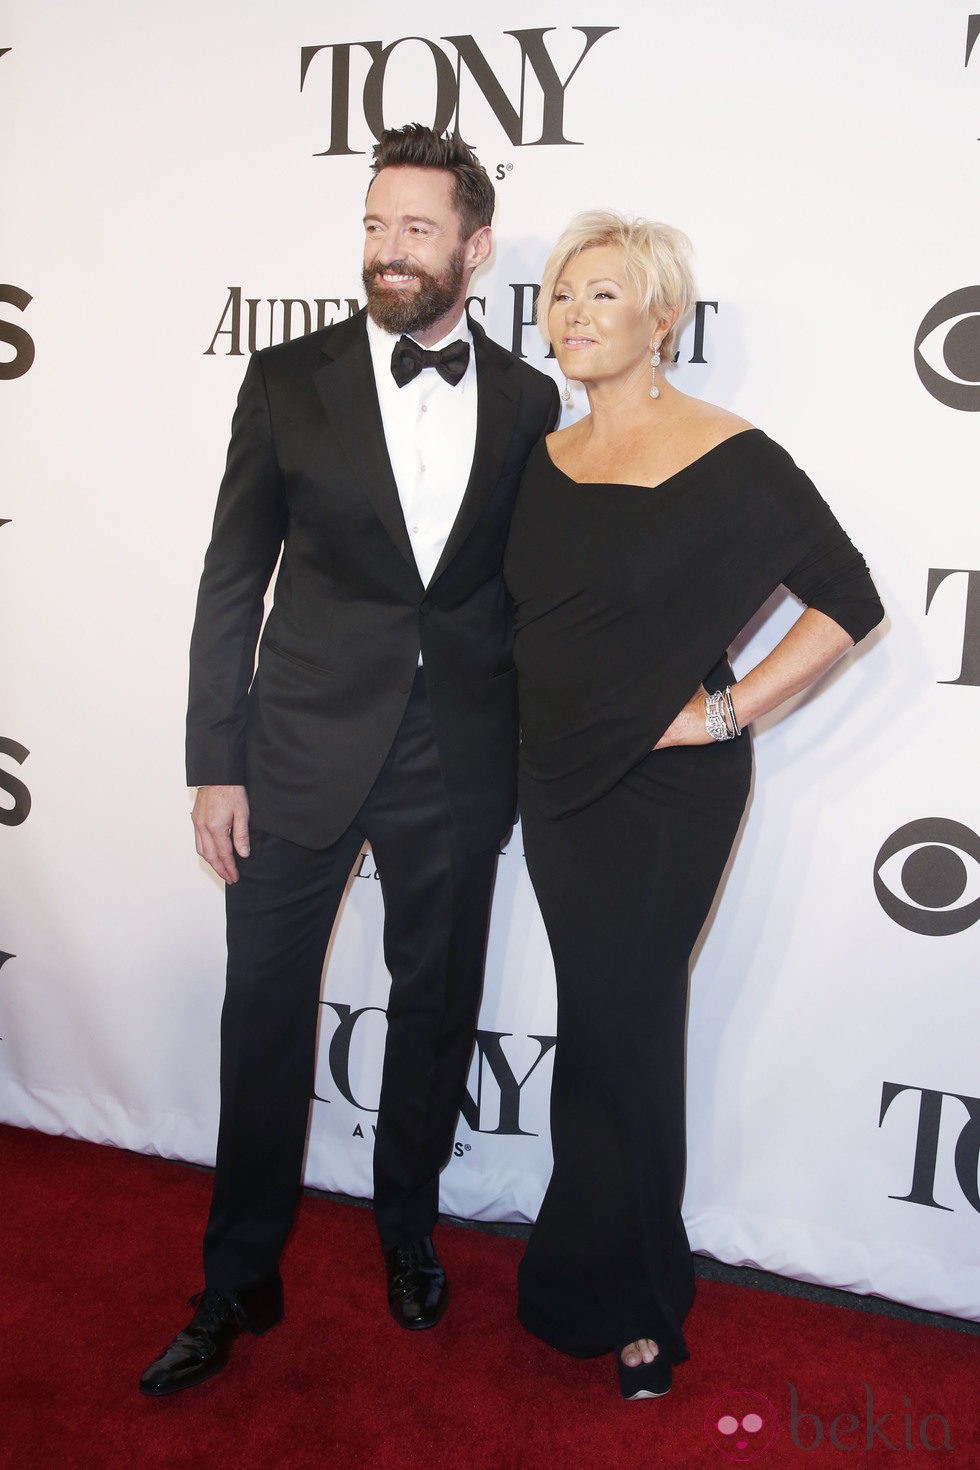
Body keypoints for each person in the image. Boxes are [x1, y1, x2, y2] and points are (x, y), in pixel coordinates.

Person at [139, 125, 560, 1397]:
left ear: (474, 248)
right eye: (376, 226)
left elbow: (538, 589)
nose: (388, 251)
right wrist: (218, 760)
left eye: (416, 229)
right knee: (262, 1016)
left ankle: (407, 1232)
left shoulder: (532, 400)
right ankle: (234, 1283)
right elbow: (232, 576)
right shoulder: (286, 378)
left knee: (433, 1016)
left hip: (458, 754)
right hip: (296, 746)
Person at [503, 210, 884, 1401]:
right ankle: (594, 1278)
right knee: (602, 1033)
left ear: (662, 320)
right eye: (561, 293)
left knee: (623, 1033)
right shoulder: (538, 460)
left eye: (603, 295)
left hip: (667, 792)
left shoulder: (731, 456)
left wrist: (724, 714)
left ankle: (637, 1309)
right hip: (555, 782)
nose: (572, 313)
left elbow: (847, 599)